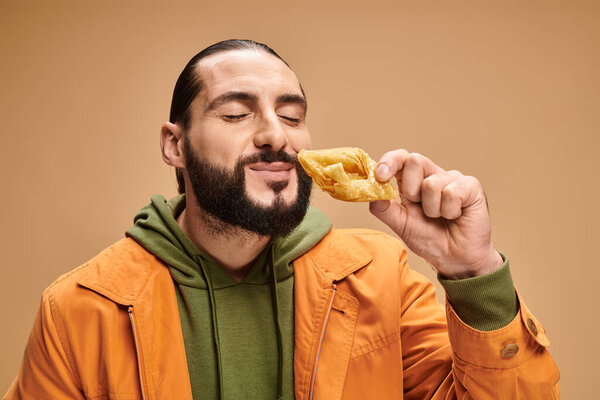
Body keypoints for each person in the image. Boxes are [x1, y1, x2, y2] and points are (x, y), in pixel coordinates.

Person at [4, 39, 559, 400]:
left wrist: (473, 273)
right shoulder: (80, 308)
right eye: (237, 113)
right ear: (175, 145)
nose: (276, 134)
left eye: (292, 115)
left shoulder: (381, 276)